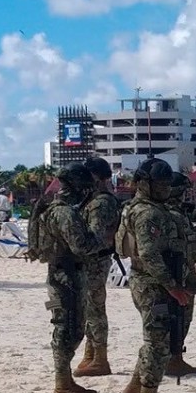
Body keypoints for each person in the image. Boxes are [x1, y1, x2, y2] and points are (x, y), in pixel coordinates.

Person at [116, 158, 192, 393]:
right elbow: (149, 254)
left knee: (154, 338)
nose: (165, 189)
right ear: (145, 184)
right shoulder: (148, 213)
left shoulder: (134, 208)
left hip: (145, 280)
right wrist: (172, 287)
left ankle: (133, 391)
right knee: (157, 343)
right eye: (160, 184)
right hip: (153, 284)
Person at [26, 164, 105, 393]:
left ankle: (66, 381)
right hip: (67, 277)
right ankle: (61, 386)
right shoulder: (64, 213)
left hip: (59, 275)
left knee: (68, 326)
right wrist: (101, 239)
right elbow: (82, 246)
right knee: (67, 329)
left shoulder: (46, 208)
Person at [73, 157, 122, 378]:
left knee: (95, 309)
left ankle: (100, 358)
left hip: (95, 261)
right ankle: (91, 353)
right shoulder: (93, 199)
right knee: (89, 309)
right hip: (92, 261)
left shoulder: (101, 202)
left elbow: (97, 237)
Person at [163, 171, 196, 377]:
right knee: (180, 319)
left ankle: (171, 359)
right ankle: (174, 360)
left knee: (165, 321)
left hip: (163, 275)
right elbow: (195, 249)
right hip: (181, 274)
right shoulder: (177, 217)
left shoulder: (157, 213)